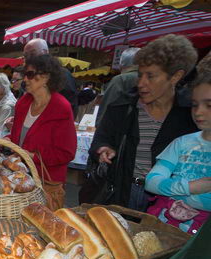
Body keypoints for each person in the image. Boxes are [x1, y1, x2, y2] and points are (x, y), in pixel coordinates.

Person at [89, 34, 199, 211]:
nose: (141, 83)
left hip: (169, 200)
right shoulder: (123, 107)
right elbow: (100, 140)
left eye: (151, 76)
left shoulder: (190, 115)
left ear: (175, 77)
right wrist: (103, 149)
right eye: (140, 75)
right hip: (123, 192)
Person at [5, 54, 77, 210]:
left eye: (30, 75)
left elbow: (66, 153)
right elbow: (19, 139)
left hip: (47, 183)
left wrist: (32, 156)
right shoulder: (23, 103)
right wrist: (8, 140)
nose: (25, 79)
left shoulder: (61, 107)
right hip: (20, 180)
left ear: (46, 77)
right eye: (25, 75)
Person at [144, 70, 211, 234]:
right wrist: (190, 187)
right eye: (194, 104)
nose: (198, 112)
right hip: (164, 223)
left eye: (209, 105)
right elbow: (151, 182)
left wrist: (171, 191)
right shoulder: (182, 142)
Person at [23, 38, 78, 117]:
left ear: (45, 52)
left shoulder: (62, 74)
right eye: (26, 55)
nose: (29, 58)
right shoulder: (27, 76)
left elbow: (70, 107)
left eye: (32, 53)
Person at [96, 47, 140, 126]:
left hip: (120, 130)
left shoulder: (120, 80)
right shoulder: (151, 79)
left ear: (121, 64)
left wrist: (99, 127)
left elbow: (107, 108)